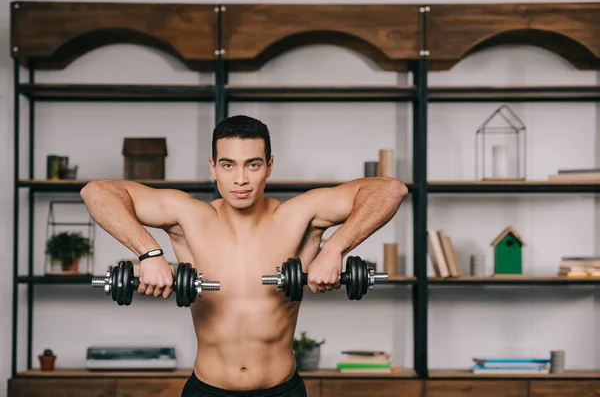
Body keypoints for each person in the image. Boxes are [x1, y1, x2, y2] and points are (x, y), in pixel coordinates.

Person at [80, 115, 408, 397]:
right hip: (207, 389)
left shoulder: (298, 216)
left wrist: (335, 249)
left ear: (269, 166)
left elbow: (389, 190)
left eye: (253, 164)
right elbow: (97, 192)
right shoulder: (188, 217)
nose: (240, 179)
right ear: (213, 167)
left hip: (282, 389)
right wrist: (149, 254)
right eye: (228, 165)